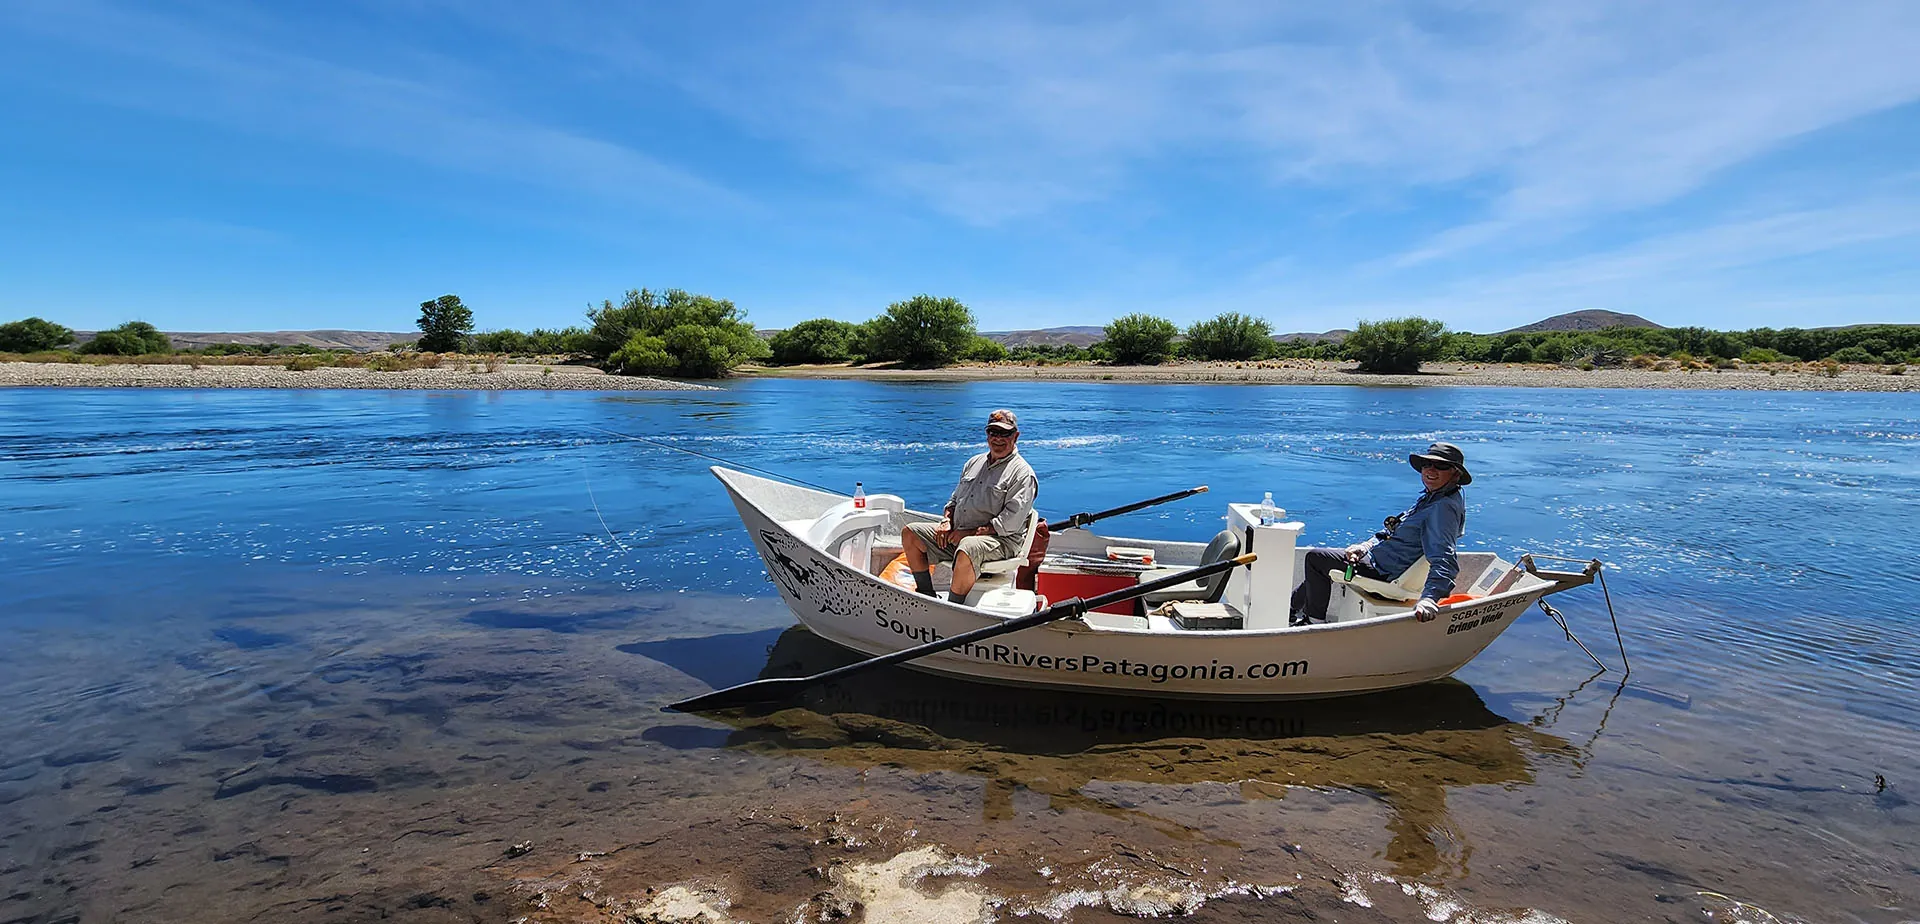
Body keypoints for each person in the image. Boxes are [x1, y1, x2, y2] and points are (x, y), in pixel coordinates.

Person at [1290, 442, 1471, 624]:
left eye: (1440, 465)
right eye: (1427, 464)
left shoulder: (1442, 509)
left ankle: (1313, 623)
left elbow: (1445, 559)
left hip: (1384, 571)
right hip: (1381, 560)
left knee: (1316, 559)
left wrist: (1430, 598)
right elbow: (1391, 530)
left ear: (1455, 473)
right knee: (1327, 561)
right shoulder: (1433, 497)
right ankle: (1291, 609)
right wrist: (1365, 547)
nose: (1431, 470)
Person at [901, 409, 1039, 600]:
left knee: (967, 547)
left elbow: (1009, 524)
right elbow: (954, 501)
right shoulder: (973, 462)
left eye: (1004, 433)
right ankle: (926, 595)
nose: (998, 438)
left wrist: (968, 534)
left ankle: (953, 607)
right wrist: (946, 522)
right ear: (987, 434)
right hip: (958, 533)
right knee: (910, 532)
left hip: (1002, 541)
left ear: (1016, 436)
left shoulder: (1023, 474)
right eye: (993, 432)